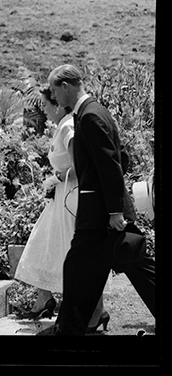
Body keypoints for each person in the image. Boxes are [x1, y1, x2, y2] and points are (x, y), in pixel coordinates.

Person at [48, 64, 156, 335]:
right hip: (101, 211)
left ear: (66, 86)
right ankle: (72, 327)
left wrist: (114, 211)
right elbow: (122, 158)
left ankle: (69, 330)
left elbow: (110, 164)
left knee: (78, 267)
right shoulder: (94, 112)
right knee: (129, 263)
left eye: (54, 90)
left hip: (100, 215)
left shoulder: (90, 116)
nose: (54, 97)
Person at [13, 86, 106, 327]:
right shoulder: (62, 125)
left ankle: (96, 310)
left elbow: (83, 163)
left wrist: (59, 177)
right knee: (45, 243)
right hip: (62, 196)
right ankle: (44, 298)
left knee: (68, 249)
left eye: (45, 105)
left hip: (71, 198)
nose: (43, 110)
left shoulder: (67, 127)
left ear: (56, 105)